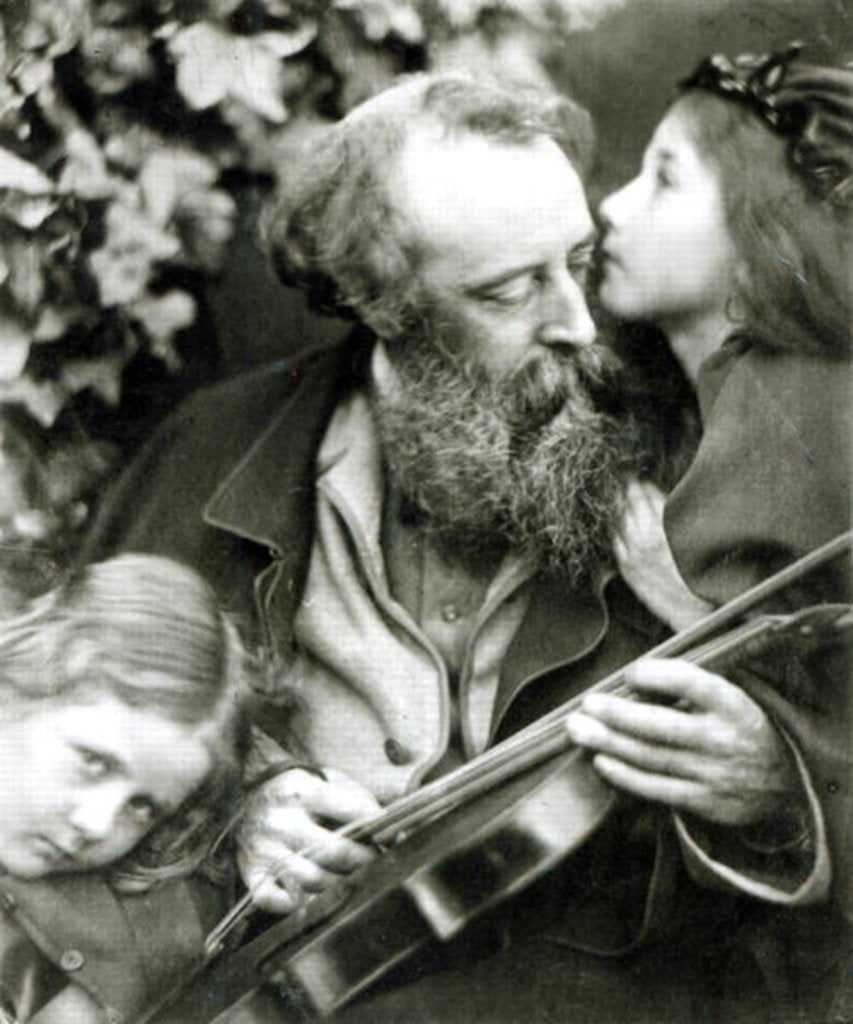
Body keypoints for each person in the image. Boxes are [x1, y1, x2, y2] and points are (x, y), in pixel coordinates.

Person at [83, 74, 828, 1022]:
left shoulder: (699, 453)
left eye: (580, 260)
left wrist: (775, 787)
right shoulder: (217, 445)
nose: (577, 321)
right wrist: (239, 799)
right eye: (511, 289)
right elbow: (66, 705)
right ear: (387, 306)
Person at [593, 45, 852, 1020]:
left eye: (662, 179)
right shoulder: (677, 401)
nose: (610, 208)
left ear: (757, 231)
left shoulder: (808, 405)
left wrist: (692, 610)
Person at [0, 553, 251, 1022]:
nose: (95, 825)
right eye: (92, 762)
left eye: (143, 807)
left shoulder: (132, 928)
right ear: (10, 685)